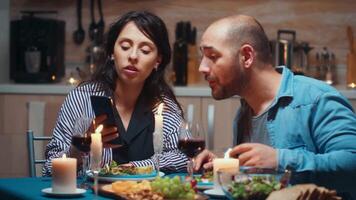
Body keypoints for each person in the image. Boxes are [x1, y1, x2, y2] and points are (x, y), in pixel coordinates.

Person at [194, 15, 356, 199]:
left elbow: (352, 165)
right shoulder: (243, 115)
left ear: (246, 56)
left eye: (212, 56)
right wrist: (226, 165)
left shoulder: (316, 98)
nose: (202, 68)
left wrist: (280, 160)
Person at [43, 11, 188, 176]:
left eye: (145, 50)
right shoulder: (82, 98)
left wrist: (135, 167)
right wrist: (79, 149)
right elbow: (49, 168)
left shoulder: (163, 106)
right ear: (112, 52)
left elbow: (185, 156)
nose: (133, 56)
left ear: (157, 61)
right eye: (125, 47)